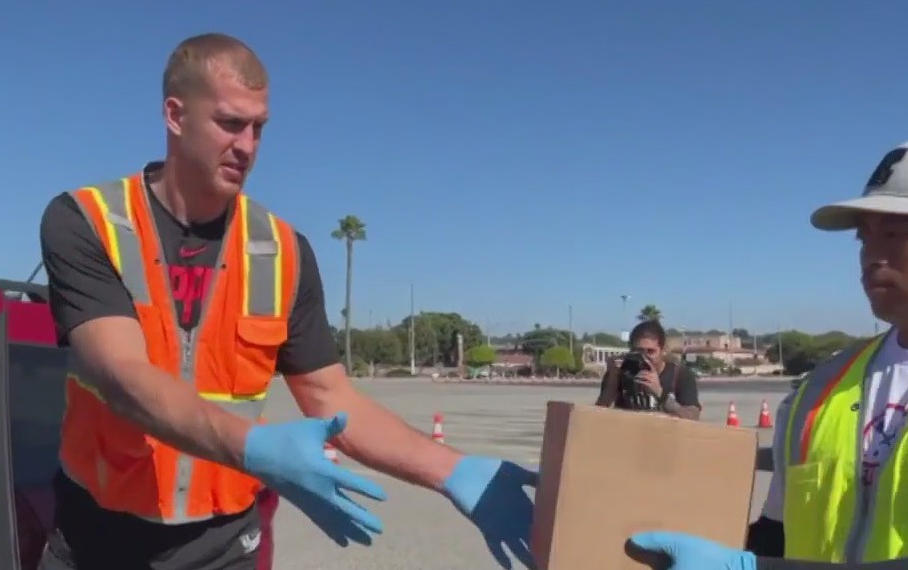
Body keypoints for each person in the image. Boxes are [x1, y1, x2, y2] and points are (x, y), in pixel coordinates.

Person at [36, 32, 536, 570]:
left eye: (259, 128)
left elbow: (330, 397)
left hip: (223, 546)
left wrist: (452, 470)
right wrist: (253, 447)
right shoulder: (89, 221)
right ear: (175, 116)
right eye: (229, 123)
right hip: (96, 540)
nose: (248, 146)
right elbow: (122, 374)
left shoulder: (282, 251)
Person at [629, 139, 908, 569]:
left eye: (895, 233)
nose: (872, 256)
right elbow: (775, 531)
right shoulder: (822, 387)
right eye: (865, 238)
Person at [595, 320, 701, 420]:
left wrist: (661, 394)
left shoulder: (680, 375)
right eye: (638, 351)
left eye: (650, 352)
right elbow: (599, 413)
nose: (644, 358)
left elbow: (693, 417)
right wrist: (612, 377)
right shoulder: (622, 372)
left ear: (663, 350)